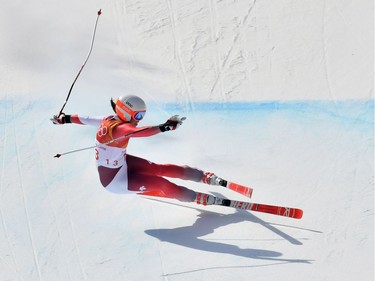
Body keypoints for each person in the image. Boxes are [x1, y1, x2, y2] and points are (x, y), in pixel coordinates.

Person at [51, 95, 222, 205]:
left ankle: (201, 176)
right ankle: (195, 197)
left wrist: (64, 119)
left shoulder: (109, 119)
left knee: (158, 169)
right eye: (138, 116)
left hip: (122, 164)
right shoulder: (121, 129)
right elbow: (141, 132)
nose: (139, 120)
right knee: (161, 183)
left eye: (142, 116)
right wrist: (164, 128)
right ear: (125, 112)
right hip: (116, 182)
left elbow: (83, 118)